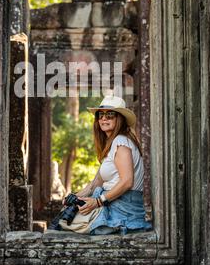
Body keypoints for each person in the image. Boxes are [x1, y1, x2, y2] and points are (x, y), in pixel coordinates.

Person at [58, 95, 152, 235]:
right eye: (100, 115)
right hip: (112, 202)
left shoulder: (121, 142)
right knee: (65, 215)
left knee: (64, 224)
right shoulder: (112, 145)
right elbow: (95, 183)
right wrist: (74, 197)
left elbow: (127, 181)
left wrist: (98, 201)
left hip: (124, 207)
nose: (103, 118)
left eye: (110, 115)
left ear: (119, 119)